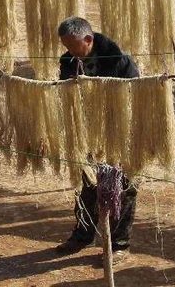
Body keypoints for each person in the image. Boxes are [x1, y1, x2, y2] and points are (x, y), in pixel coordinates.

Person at [55, 16, 139, 261]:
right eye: (65, 46)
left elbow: (134, 96)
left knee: (123, 186)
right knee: (87, 184)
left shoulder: (120, 62)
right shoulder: (68, 60)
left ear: (88, 39)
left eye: (72, 45)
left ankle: (119, 245)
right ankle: (82, 235)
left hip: (120, 131)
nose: (69, 51)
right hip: (87, 131)